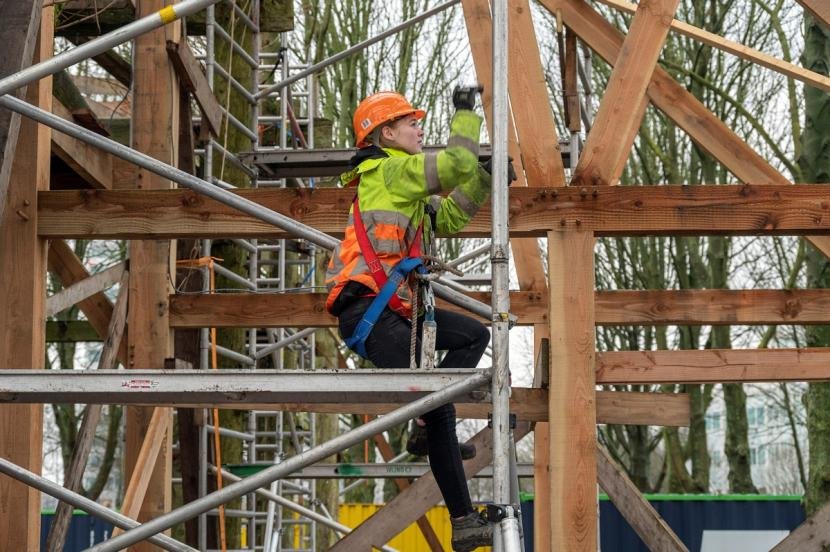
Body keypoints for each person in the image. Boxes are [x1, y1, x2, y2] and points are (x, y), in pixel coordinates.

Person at [325, 87, 502, 551]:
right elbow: (454, 166)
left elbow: (447, 220)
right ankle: (464, 523)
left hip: (394, 313)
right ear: (387, 134)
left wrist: (483, 180)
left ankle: (423, 428)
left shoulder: (400, 183)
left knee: (472, 335)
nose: (419, 129)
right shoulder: (389, 170)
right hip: (370, 314)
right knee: (441, 404)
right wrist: (465, 113)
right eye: (410, 124)